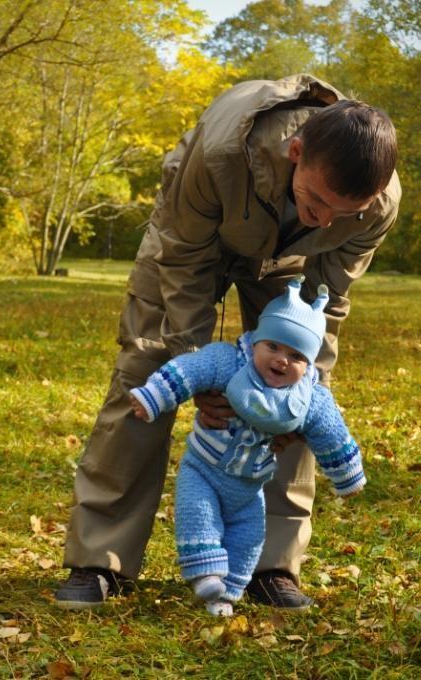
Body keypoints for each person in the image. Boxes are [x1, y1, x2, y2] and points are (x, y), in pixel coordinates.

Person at [55, 74, 401, 611]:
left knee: (294, 392)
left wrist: (301, 396)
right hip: (191, 240)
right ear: (295, 152)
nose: (328, 219)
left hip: (289, 266)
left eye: (343, 212)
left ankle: (271, 567)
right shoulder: (223, 152)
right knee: (145, 370)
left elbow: (326, 303)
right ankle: (101, 559)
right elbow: (185, 264)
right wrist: (195, 371)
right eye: (318, 200)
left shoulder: (376, 206)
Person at [128, 278, 366, 616]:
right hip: (205, 469)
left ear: (309, 364)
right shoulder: (229, 362)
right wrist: (153, 397)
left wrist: (347, 475)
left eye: (296, 355)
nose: (282, 360)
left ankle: (227, 595)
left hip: (250, 484)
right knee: (199, 514)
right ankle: (206, 573)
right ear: (255, 342)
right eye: (273, 347)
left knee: (249, 536)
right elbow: (190, 370)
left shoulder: (308, 397)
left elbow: (331, 431)